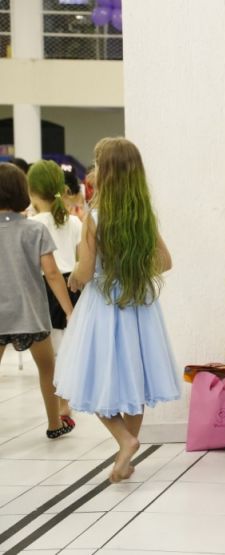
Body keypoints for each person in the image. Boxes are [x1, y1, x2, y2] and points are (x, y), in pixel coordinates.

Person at [54, 137, 181, 483]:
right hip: (139, 308)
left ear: (106, 172)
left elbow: (84, 269)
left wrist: (76, 280)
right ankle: (129, 446)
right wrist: (133, 272)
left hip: (103, 307)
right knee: (135, 380)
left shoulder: (95, 215)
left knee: (88, 376)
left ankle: (125, 440)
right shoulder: (143, 215)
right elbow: (165, 261)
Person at [0, 163, 75, 439]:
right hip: (30, 313)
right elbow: (53, 274)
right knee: (47, 368)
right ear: (22, 191)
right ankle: (55, 424)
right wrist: (69, 310)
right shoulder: (34, 231)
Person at [27, 160, 82, 354]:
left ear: (31, 190)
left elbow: (48, 270)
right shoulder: (74, 222)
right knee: (73, 351)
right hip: (74, 289)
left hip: (45, 292)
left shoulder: (32, 224)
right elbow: (81, 259)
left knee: (53, 357)